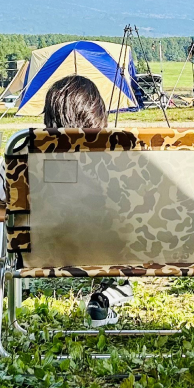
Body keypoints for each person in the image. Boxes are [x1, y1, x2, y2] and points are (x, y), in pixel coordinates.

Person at [39, 75, 130, 326]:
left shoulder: (23, 150)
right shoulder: (119, 156)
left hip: (44, 250)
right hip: (108, 248)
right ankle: (115, 287)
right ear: (97, 113)